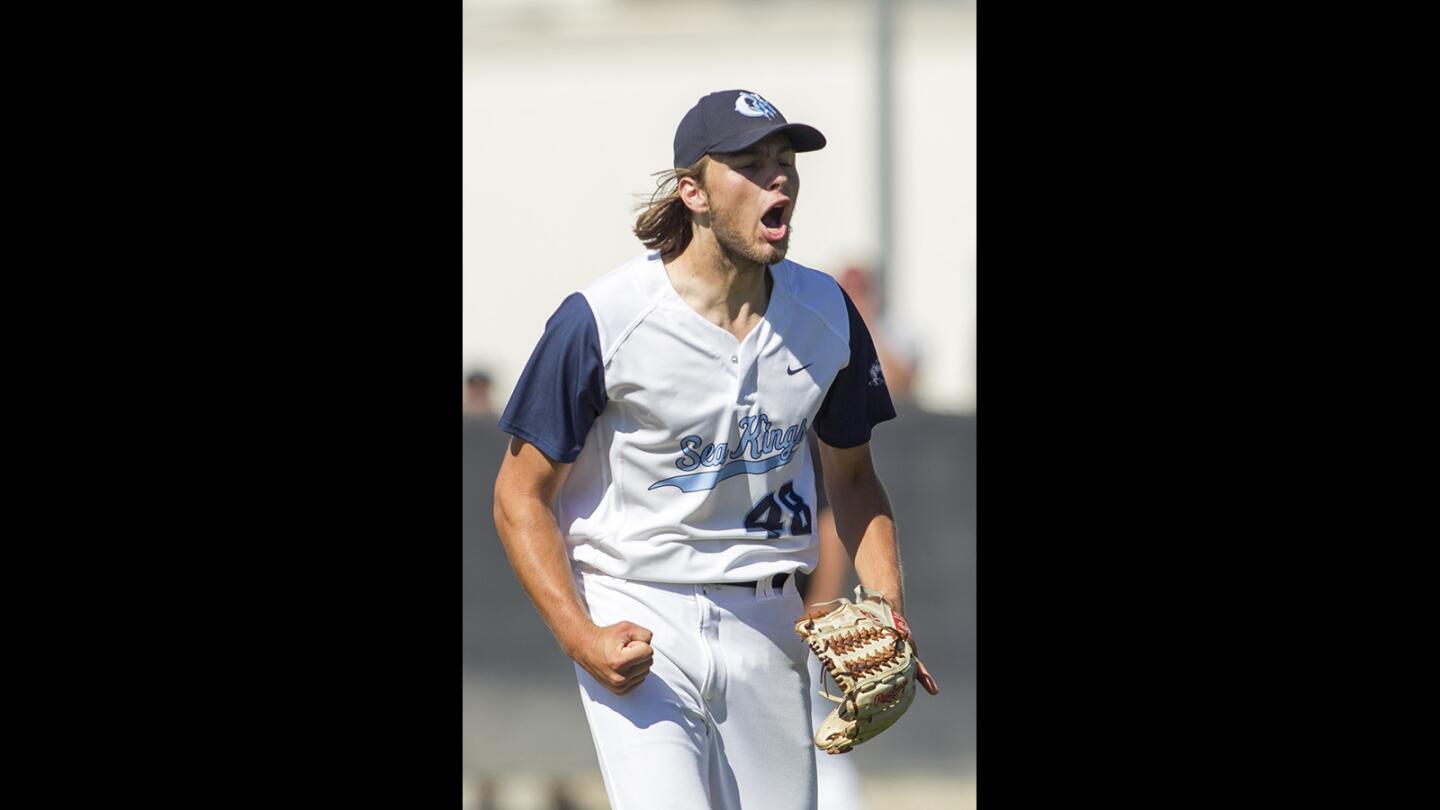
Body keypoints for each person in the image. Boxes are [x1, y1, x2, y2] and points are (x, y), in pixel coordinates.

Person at [492, 89, 938, 810]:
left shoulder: (825, 314)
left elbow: (854, 479)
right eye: (752, 163)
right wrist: (582, 635)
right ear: (694, 192)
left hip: (767, 622)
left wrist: (887, 604)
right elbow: (519, 497)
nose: (780, 178)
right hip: (640, 615)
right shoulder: (604, 320)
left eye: (785, 161)